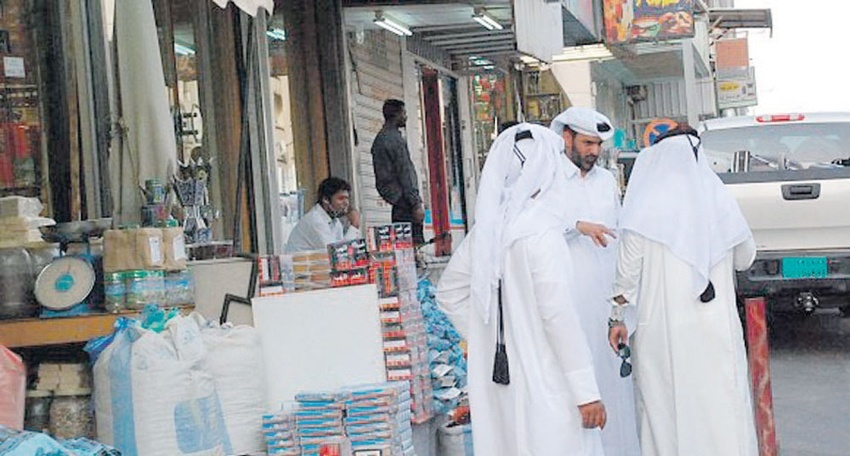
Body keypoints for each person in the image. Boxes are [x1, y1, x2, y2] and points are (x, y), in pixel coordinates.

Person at [436, 123, 606, 456]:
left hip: (500, 383)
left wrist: (489, 338)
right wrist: (586, 392)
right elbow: (558, 318)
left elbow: (448, 294)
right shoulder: (542, 235)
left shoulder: (488, 232)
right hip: (549, 383)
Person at [607, 125, 758, 456]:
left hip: (662, 332)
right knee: (720, 409)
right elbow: (746, 259)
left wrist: (616, 318)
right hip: (715, 329)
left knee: (665, 414)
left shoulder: (644, 207)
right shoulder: (719, 200)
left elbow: (626, 276)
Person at [550, 107, 641, 456]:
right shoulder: (547, 178)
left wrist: (621, 305)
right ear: (566, 137)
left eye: (598, 144)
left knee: (614, 389)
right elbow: (533, 228)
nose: (593, 151)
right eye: (587, 142)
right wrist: (577, 227)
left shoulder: (605, 181)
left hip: (604, 300)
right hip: (568, 299)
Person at [371, 99, 425, 244]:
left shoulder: (380, 139)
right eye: (404, 113)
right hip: (404, 200)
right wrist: (415, 202)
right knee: (412, 243)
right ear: (397, 114)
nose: (406, 117)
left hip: (397, 199)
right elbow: (404, 172)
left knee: (402, 243)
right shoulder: (394, 139)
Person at [285, 177, 360, 253]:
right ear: (326, 199)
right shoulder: (315, 220)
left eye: (347, 198)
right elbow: (336, 254)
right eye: (341, 199)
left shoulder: (335, 221)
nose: (346, 203)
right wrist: (354, 226)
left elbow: (343, 251)